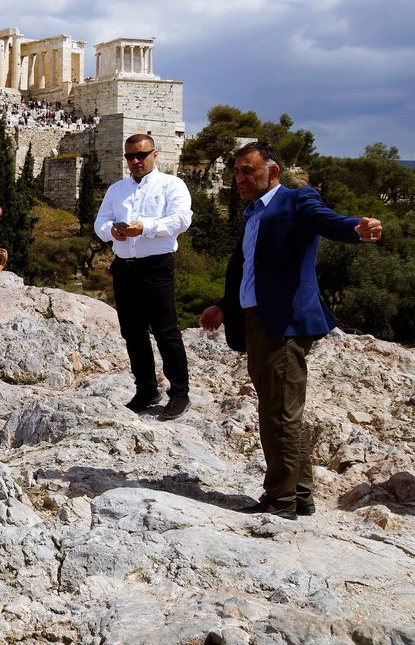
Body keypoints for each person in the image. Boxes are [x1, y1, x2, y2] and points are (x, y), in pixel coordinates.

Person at [200, 141, 383, 520]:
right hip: (255, 320)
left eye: (249, 170)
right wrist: (224, 305)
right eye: (237, 172)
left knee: (277, 414)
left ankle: (279, 501)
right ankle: (299, 494)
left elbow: (328, 220)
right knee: (280, 411)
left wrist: (357, 229)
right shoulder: (252, 214)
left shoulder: (297, 200)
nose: (241, 179)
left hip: (283, 324)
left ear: (273, 172)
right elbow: (245, 269)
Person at [94, 134, 193, 420]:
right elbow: (100, 221)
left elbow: (181, 219)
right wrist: (110, 231)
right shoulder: (117, 189)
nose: (135, 161)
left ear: (154, 154)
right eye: (130, 157)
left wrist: (145, 228)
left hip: (156, 266)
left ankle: (179, 393)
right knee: (133, 332)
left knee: (165, 331)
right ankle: (146, 389)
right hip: (124, 266)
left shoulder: (172, 185)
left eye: (141, 155)